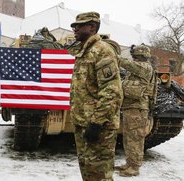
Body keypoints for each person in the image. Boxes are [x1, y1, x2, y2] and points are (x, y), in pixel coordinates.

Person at [68, 12, 123, 180]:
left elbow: (111, 91)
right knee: (88, 172)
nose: (74, 29)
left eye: (79, 26)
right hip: (83, 122)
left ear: (92, 27)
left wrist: (97, 123)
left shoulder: (102, 51)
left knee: (100, 175)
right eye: (74, 26)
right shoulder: (84, 52)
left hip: (99, 126)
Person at [115, 44, 156, 177]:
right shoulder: (139, 68)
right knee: (128, 137)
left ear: (140, 56)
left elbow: (126, 63)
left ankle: (135, 167)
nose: (134, 59)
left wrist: (112, 55)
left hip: (138, 108)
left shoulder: (144, 67)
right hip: (132, 107)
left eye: (135, 56)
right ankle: (129, 163)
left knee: (135, 138)